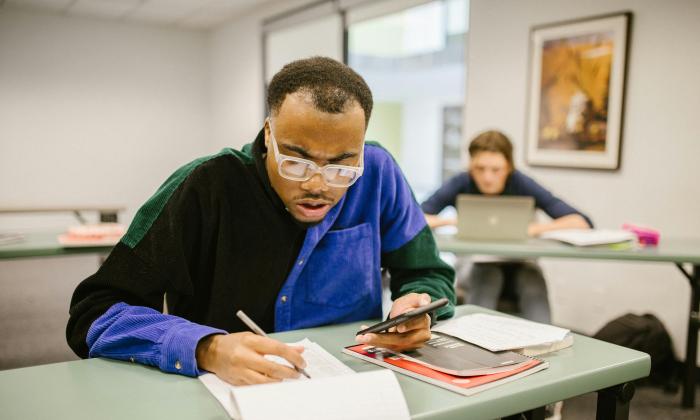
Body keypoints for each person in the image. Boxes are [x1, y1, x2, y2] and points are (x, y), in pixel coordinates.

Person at [66, 56, 455, 386]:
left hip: (350, 387)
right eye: (296, 161)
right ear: (268, 134)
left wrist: (416, 305)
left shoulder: (379, 172)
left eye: (341, 166)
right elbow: (95, 312)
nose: (316, 185)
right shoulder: (205, 186)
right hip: (228, 393)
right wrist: (206, 348)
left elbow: (428, 274)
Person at [421, 130, 591, 324]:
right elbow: (415, 218)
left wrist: (531, 229)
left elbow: (581, 222)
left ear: (509, 167)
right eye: (480, 168)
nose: (487, 178)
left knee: (533, 280)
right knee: (487, 276)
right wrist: (453, 222)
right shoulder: (462, 182)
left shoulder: (521, 183)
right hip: (475, 266)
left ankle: (544, 345)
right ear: (470, 166)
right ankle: (475, 343)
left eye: (496, 170)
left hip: (520, 265)